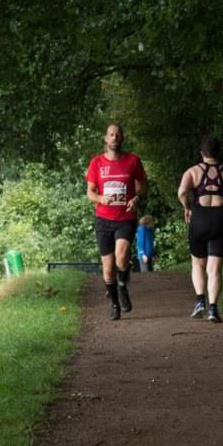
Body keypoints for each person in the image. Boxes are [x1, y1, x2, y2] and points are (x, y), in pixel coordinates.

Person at [177, 137, 223, 323]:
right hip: (220, 218)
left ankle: (200, 301)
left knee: (198, 264)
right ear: (218, 152)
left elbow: (181, 192)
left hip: (199, 218)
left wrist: (187, 207)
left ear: (202, 153)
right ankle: (213, 309)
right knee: (215, 269)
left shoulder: (193, 171)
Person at [86, 124, 148, 320]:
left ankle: (122, 287)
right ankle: (114, 304)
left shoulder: (133, 161)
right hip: (104, 219)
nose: (114, 137)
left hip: (125, 218)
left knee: (122, 256)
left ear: (122, 139)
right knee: (108, 267)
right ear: (105, 139)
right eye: (111, 135)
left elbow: (143, 187)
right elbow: (90, 192)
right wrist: (100, 199)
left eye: (118, 135)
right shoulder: (96, 163)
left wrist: (136, 199)